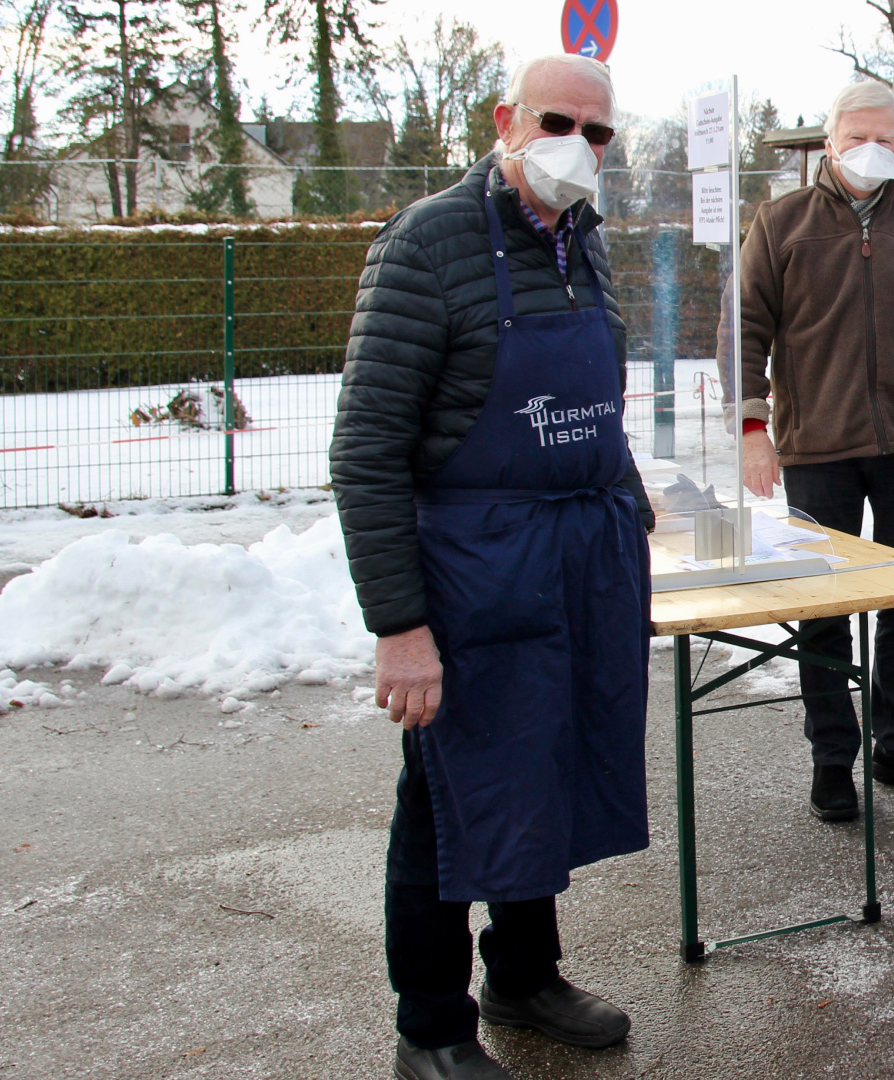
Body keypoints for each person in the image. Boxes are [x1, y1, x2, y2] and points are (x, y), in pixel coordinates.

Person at [330, 54, 653, 1080]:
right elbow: (366, 450)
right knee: (450, 793)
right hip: (473, 572)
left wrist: (630, 518)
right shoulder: (426, 244)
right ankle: (430, 1027)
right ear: (508, 119)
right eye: (560, 123)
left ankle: (524, 973)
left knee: (543, 768)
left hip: (575, 563)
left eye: (598, 133)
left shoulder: (586, 242)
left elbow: (596, 407)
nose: (579, 146)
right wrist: (401, 626)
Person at [735, 80, 894, 822]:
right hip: (818, 444)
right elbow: (745, 326)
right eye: (857, 136)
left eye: (885, 138)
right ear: (830, 140)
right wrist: (753, 428)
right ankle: (832, 755)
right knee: (825, 607)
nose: (871, 150)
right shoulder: (781, 223)